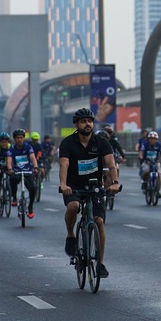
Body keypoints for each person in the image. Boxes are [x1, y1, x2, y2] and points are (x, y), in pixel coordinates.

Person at [59, 107, 120, 278]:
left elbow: (111, 164)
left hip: (94, 186)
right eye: (84, 121)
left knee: (99, 221)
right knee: (73, 206)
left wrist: (114, 183)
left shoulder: (101, 142)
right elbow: (64, 165)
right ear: (76, 124)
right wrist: (63, 184)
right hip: (73, 186)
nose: (88, 124)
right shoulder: (67, 142)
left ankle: (100, 263)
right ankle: (71, 236)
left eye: (90, 121)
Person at [7, 129, 38, 218]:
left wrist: (35, 167)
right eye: (17, 138)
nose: (19, 140)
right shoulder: (12, 148)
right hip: (16, 171)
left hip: (27, 171)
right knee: (12, 179)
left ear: (24, 138)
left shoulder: (28, 147)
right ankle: (14, 198)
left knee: (33, 188)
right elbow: (9, 160)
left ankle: (30, 206)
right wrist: (10, 169)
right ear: (14, 139)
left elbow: (33, 157)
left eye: (21, 138)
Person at [138, 130, 161, 198]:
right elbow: (141, 152)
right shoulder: (145, 144)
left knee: (159, 175)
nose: (152, 140)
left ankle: (158, 191)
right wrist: (141, 157)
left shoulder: (158, 145)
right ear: (148, 139)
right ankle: (144, 182)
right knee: (146, 172)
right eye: (151, 139)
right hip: (147, 161)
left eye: (154, 139)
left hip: (156, 162)